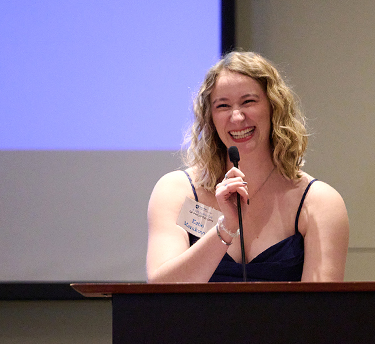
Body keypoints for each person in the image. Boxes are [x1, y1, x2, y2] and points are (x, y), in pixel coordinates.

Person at [146, 51, 349, 283]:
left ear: (275, 107)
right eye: (222, 105)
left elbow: (323, 312)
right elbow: (161, 289)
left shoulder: (319, 202)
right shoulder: (176, 191)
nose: (237, 117)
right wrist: (225, 228)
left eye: (248, 101)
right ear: (209, 117)